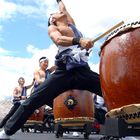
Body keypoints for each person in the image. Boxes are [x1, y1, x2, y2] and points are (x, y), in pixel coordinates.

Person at [0, 0, 103, 139]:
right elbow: (59, 40)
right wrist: (79, 41)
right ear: (52, 19)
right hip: (64, 72)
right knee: (33, 100)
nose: (61, 13)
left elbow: (63, 7)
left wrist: (58, 0)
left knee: (111, 90)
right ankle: (6, 131)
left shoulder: (70, 22)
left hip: (82, 71)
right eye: (57, 13)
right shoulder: (53, 28)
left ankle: (124, 128)